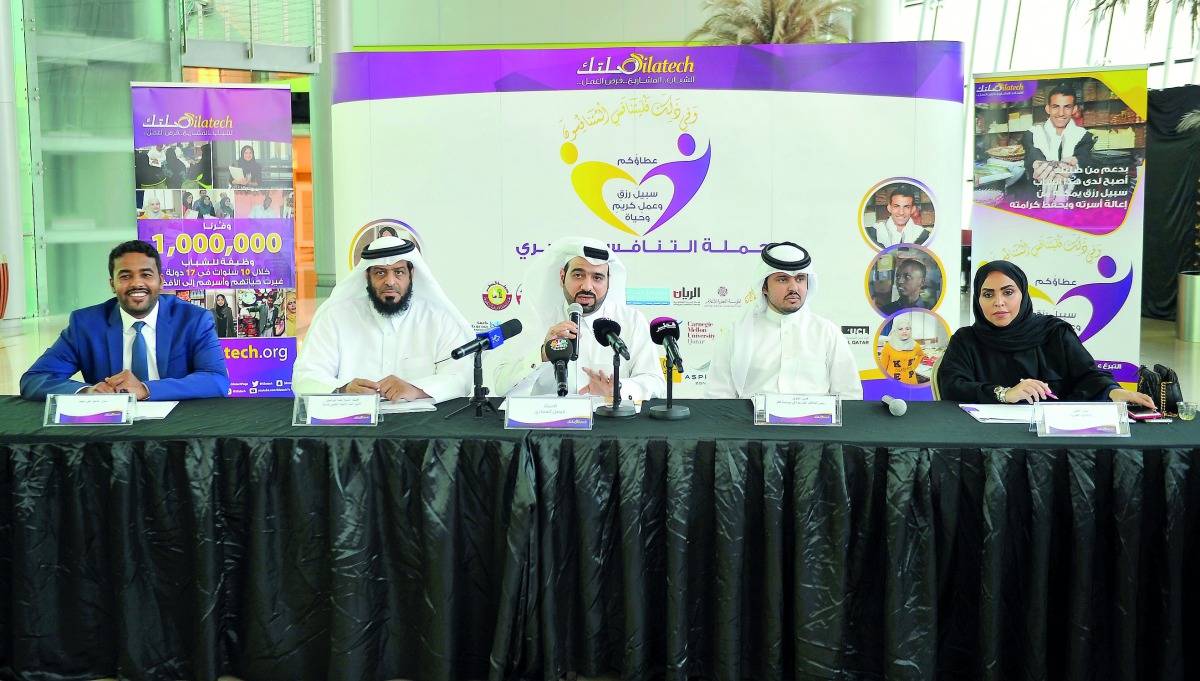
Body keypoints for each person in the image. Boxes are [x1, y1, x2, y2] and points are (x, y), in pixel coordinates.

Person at [20, 240, 230, 401]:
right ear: (112, 284)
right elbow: (34, 379)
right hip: (110, 434)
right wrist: (86, 391)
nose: (137, 283)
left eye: (146, 275)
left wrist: (146, 389)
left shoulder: (193, 319)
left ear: (161, 281)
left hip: (177, 430)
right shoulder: (85, 324)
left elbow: (216, 379)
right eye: (125, 276)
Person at [936, 260, 1155, 407]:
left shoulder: (1054, 333)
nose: (998, 302)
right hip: (987, 442)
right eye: (988, 294)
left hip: (1054, 441)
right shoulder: (966, 340)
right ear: (977, 300)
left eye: (1008, 292)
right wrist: (1005, 394)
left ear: (1023, 295)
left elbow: (1088, 376)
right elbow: (952, 385)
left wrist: (1112, 391)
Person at [291, 236, 474, 403]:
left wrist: (417, 389)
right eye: (380, 273)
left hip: (420, 429)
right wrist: (343, 389)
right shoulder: (335, 317)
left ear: (412, 275)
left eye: (399, 272)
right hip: (353, 427)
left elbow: (460, 377)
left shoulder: (439, 319)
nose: (390, 281)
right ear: (366, 276)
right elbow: (305, 377)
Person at [491, 237, 666, 400]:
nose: (587, 286)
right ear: (562, 277)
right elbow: (501, 387)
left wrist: (618, 388)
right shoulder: (537, 321)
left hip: (610, 426)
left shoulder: (631, 321)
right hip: (550, 427)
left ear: (608, 282)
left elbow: (656, 384)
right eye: (578, 275)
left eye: (597, 277)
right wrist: (542, 355)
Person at [705, 242, 862, 399]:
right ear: (764, 287)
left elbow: (848, 394)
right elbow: (718, 395)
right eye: (782, 279)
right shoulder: (736, 333)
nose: (793, 287)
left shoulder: (827, 332)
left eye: (800, 279)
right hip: (748, 422)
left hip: (816, 423)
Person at [1020, 83, 1095, 201]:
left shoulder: (1084, 136)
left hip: (1073, 200)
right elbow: (1031, 154)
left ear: (1074, 109)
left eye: (1067, 107)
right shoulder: (1032, 133)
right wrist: (1037, 164)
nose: (1061, 113)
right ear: (1048, 108)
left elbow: (1084, 156)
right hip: (1038, 200)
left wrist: (1076, 165)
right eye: (1055, 106)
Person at [878, 313, 925, 385]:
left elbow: (921, 355)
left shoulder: (915, 345)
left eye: (907, 328)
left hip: (912, 383)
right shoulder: (888, 347)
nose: (904, 331)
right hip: (894, 384)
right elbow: (883, 369)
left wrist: (913, 367)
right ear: (895, 331)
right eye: (900, 329)